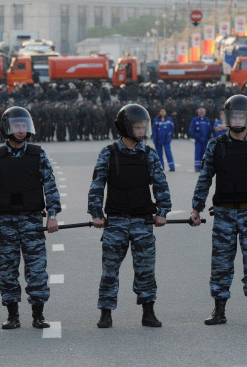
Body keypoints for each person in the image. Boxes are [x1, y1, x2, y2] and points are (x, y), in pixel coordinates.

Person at [190, 95, 247, 326]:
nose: (238, 119)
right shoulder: (215, 145)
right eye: (234, 115)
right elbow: (204, 179)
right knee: (221, 263)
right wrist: (196, 209)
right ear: (227, 118)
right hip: (224, 213)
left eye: (242, 115)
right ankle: (219, 310)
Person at [88, 104, 171, 329]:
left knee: (145, 270)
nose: (142, 131)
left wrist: (162, 212)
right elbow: (97, 185)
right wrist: (96, 213)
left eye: (143, 126)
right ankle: (105, 313)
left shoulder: (149, 154)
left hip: (143, 221)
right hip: (115, 221)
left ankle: (148, 312)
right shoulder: (109, 153)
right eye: (137, 127)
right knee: (109, 271)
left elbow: (161, 185)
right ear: (126, 128)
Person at [0, 106, 61, 330]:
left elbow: (50, 187)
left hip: (32, 220)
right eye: (17, 126)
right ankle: (12, 314)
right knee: (6, 270)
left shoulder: (37, 154)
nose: (21, 130)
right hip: (4, 222)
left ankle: (38, 314)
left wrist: (52, 216)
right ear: (7, 129)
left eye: (24, 126)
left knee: (36, 270)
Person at [188, 107, 212, 172]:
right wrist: (197, 137)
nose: (201, 113)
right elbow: (191, 130)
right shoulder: (194, 120)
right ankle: (197, 167)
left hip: (205, 140)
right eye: (200, 112)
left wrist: (209, 139)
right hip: (198, 140)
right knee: (198, 153)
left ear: (205, 113)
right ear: (198, 112)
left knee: (205, 154)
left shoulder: (207, 120)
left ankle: (204, 167)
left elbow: (210, 130)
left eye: (202, 112)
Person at [152, 107, 175, 172]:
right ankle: (161, 167)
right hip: (158, 140)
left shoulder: (169, 119)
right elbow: (154, 130)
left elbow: (172, 128)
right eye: (161, 111)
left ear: (165, 112)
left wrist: (170, 133)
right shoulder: (156, 120)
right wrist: (154, 139)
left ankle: (172, 167)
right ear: (159, 112)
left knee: (168, 153)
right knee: (159, 154)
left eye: (164, 111)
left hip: (166, 139)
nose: (162, 112)